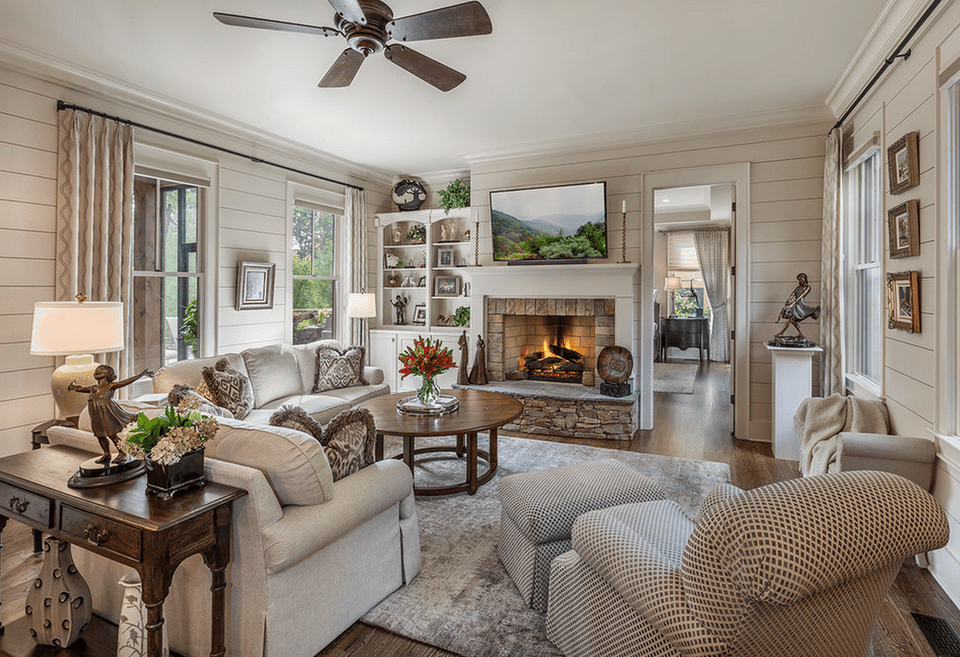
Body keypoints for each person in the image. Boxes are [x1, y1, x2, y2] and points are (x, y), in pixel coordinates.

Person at [68, 365, 152, 464]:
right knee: (100, 435)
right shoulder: (94, 388)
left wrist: (140, 375)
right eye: (97, 371)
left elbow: (126, 382)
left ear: (108, 374)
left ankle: (122, 452)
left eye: (101, 371)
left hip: (107, 413)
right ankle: (106, 453)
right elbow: (82, 389)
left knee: (112, 435)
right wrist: (73, 386)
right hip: (96, 414)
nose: (98, 372)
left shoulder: (110, 386)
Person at [774, 272, 820, 342]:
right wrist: (789, 300)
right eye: (799, 279)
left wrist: (794, 303)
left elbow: (801, 296)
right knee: (791, 320)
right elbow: (792, 294)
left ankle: (782, 333)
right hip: (795, 304)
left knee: (790, 319)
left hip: (800, 305)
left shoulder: (807, 287)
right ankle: (800, 333)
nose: (800, 281)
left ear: (805, 279)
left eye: (801, 279)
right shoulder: (798, 287)